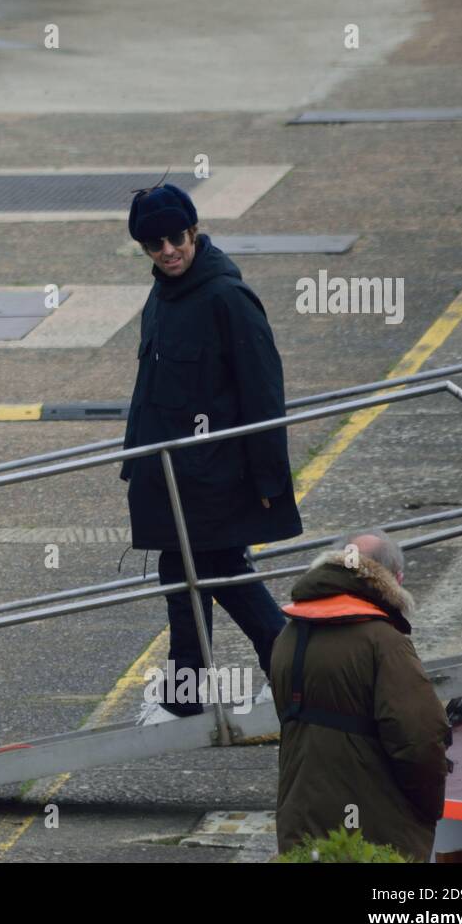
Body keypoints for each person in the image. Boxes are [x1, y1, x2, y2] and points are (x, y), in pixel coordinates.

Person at [119, 183, 302, 716]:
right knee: (188, 573)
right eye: (155, 245)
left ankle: (287, 674)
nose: (168, 251)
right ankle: (195, 691)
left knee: (217, 572)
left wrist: (270, 482)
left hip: (214, 477)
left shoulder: (226, 297)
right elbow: (150, 387)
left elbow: (263, 393)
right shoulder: (164, 293)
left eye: (176, 238)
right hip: (171, 475)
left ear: (193, 231)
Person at [271, 531, 451, 861]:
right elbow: (420, 739)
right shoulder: (384, 642)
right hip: (373, 829)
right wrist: (428, 808)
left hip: (298, 819)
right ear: (396, 579)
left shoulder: (289, 634)